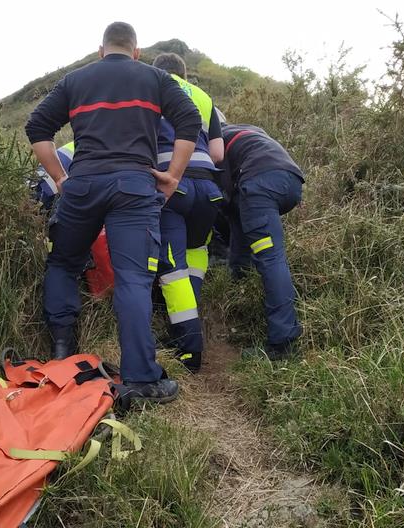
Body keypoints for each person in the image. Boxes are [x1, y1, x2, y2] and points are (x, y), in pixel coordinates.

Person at [25, 22, 201, 403]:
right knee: (134, 279)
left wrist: (60, 178)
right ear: (136, 51)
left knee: (64, 263)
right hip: (134, 188)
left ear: (101, 50)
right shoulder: (155, 78)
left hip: (83, 184)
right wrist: (172, 176)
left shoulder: (75, 80)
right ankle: (140, 380)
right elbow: (190, 120)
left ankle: (61, 352)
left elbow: (37, 126)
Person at [152, 52, 224, 372]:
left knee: (173, 269)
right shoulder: (205, 97)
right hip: (208, 187)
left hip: (172, 183)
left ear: (158, 72)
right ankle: (191, 318)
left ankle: (188, 349)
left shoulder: (153, 86)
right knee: (196, 252)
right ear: (184, 72)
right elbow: (219, 152)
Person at [218, 119, 304, 360]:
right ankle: (240, 289)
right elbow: (232, 211)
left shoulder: (215, 140)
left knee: (270, 258)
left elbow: (219, 196)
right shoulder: (251, 131)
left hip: (259, 183)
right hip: (290, 182)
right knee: (241, 222)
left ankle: (282, 343)